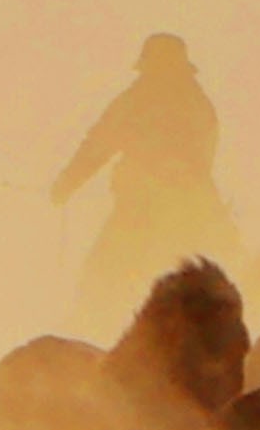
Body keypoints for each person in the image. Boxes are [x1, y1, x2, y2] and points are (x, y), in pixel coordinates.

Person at [51, 35, 238, 328]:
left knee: (102, 279)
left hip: (141, 211)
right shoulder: (198, 103)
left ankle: (88, 332)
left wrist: (67, 183)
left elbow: (98, 144)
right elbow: (204, 158)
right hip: (194, 212)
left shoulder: (138, 100)